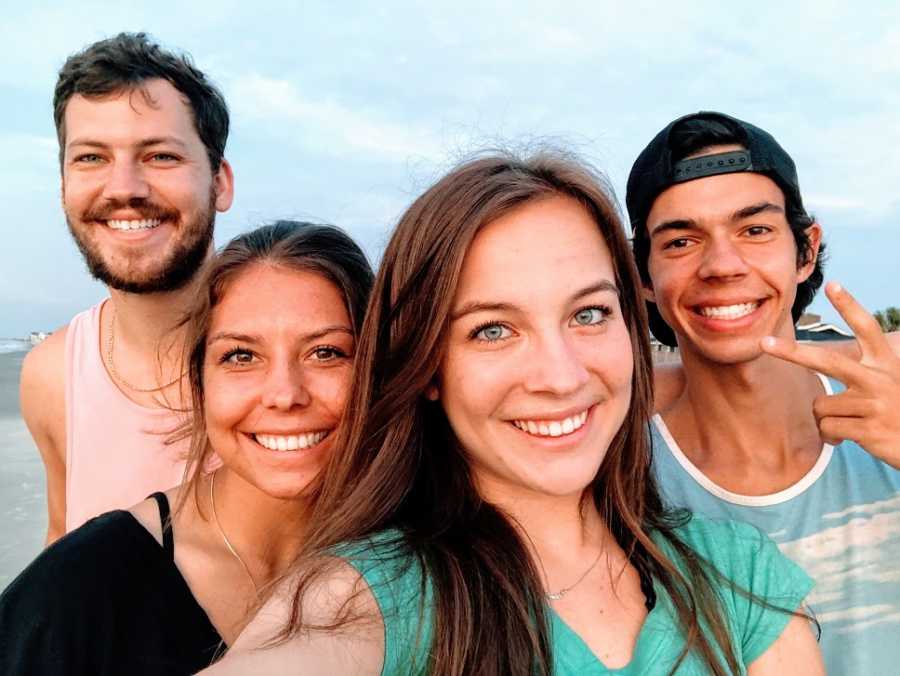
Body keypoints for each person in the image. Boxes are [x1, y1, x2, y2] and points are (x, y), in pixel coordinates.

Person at [203, 153, 823, 675]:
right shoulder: (373, 597)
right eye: (494, 329)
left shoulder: (735, 576)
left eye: (588, 315)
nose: (561, 377)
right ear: (428, 370)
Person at [0, 221, 374, 675]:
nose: (284, 393)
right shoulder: (77, 595)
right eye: (241, 356)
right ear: (199, 386)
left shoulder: (429, 561)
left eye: (327, 352)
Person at [627, 111, 900, 674]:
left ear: (805, 251)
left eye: (755, 230)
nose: (723, 265)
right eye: (680, 241)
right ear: (645, 279)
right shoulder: (615, 469)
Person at [19, 32, 234, 542]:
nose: (124, 190)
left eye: (160, 156)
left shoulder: (312, 357)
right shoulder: (52, 375)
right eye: (91, 158)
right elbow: (63, 549)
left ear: (220, 182)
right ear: (63, 184)